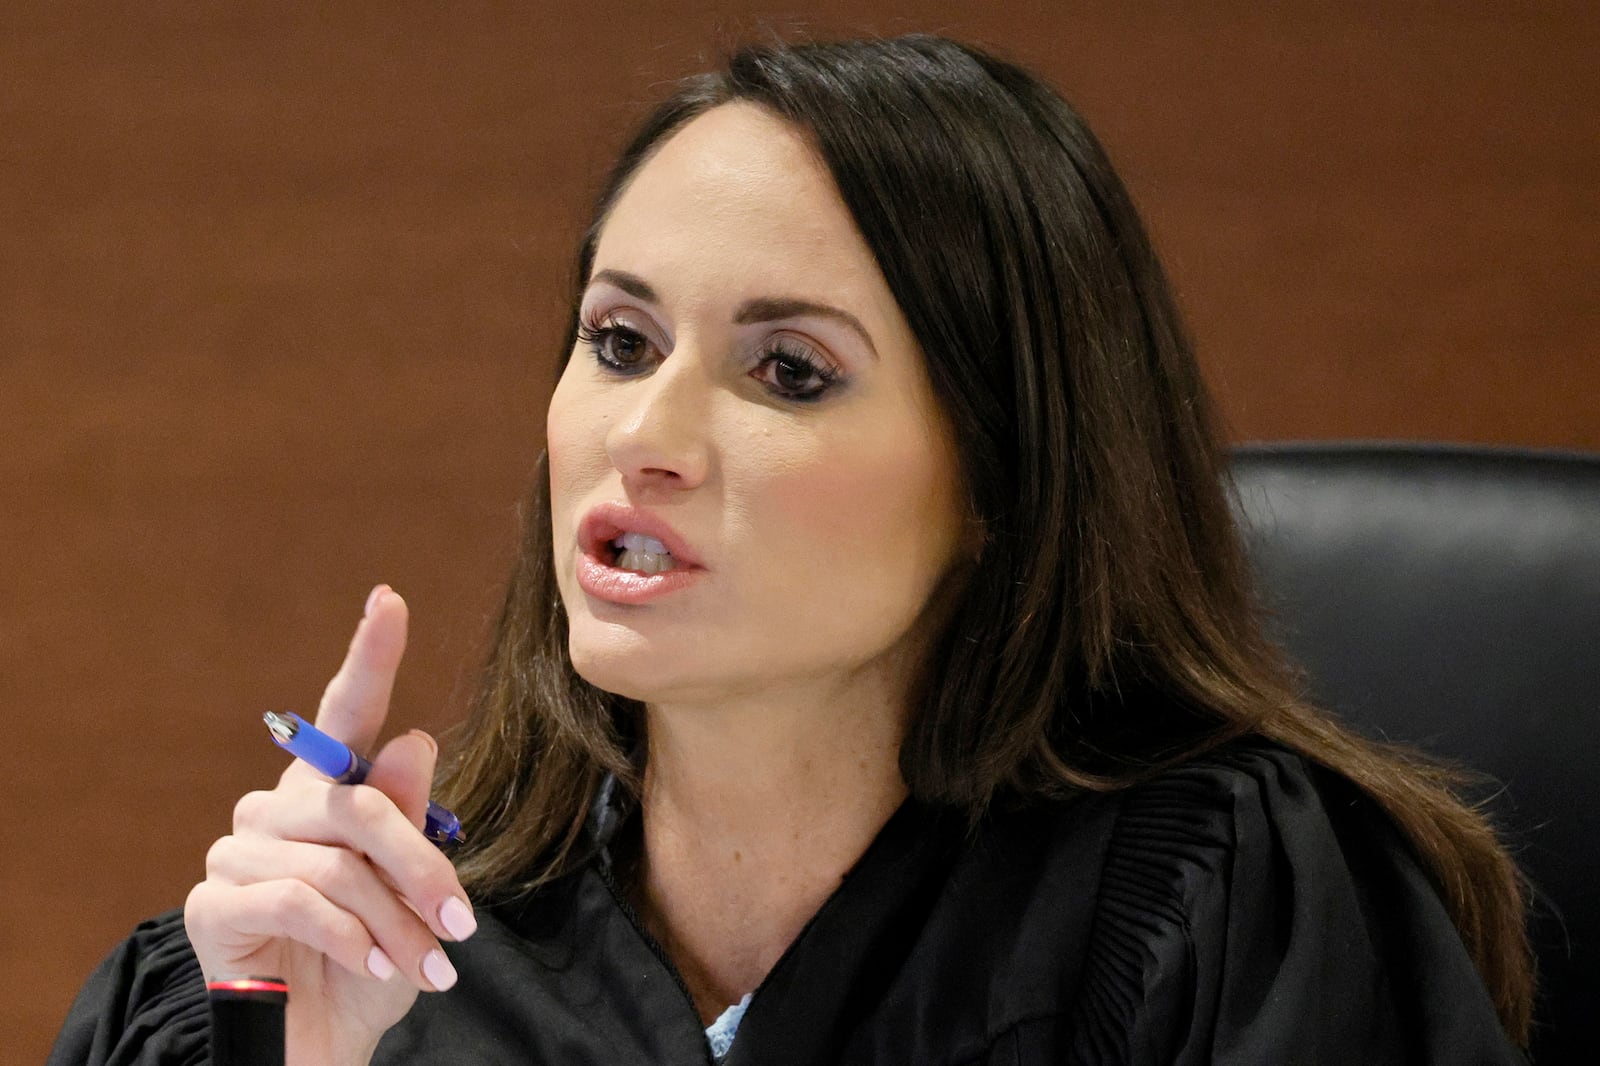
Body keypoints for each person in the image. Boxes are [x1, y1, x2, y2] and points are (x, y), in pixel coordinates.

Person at [50, 34, 1533, 1066]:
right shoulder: (354, 962)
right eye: (619, 340)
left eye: (790, 373)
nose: (650, 432)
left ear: (1006, 475)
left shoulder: (1219, 916)